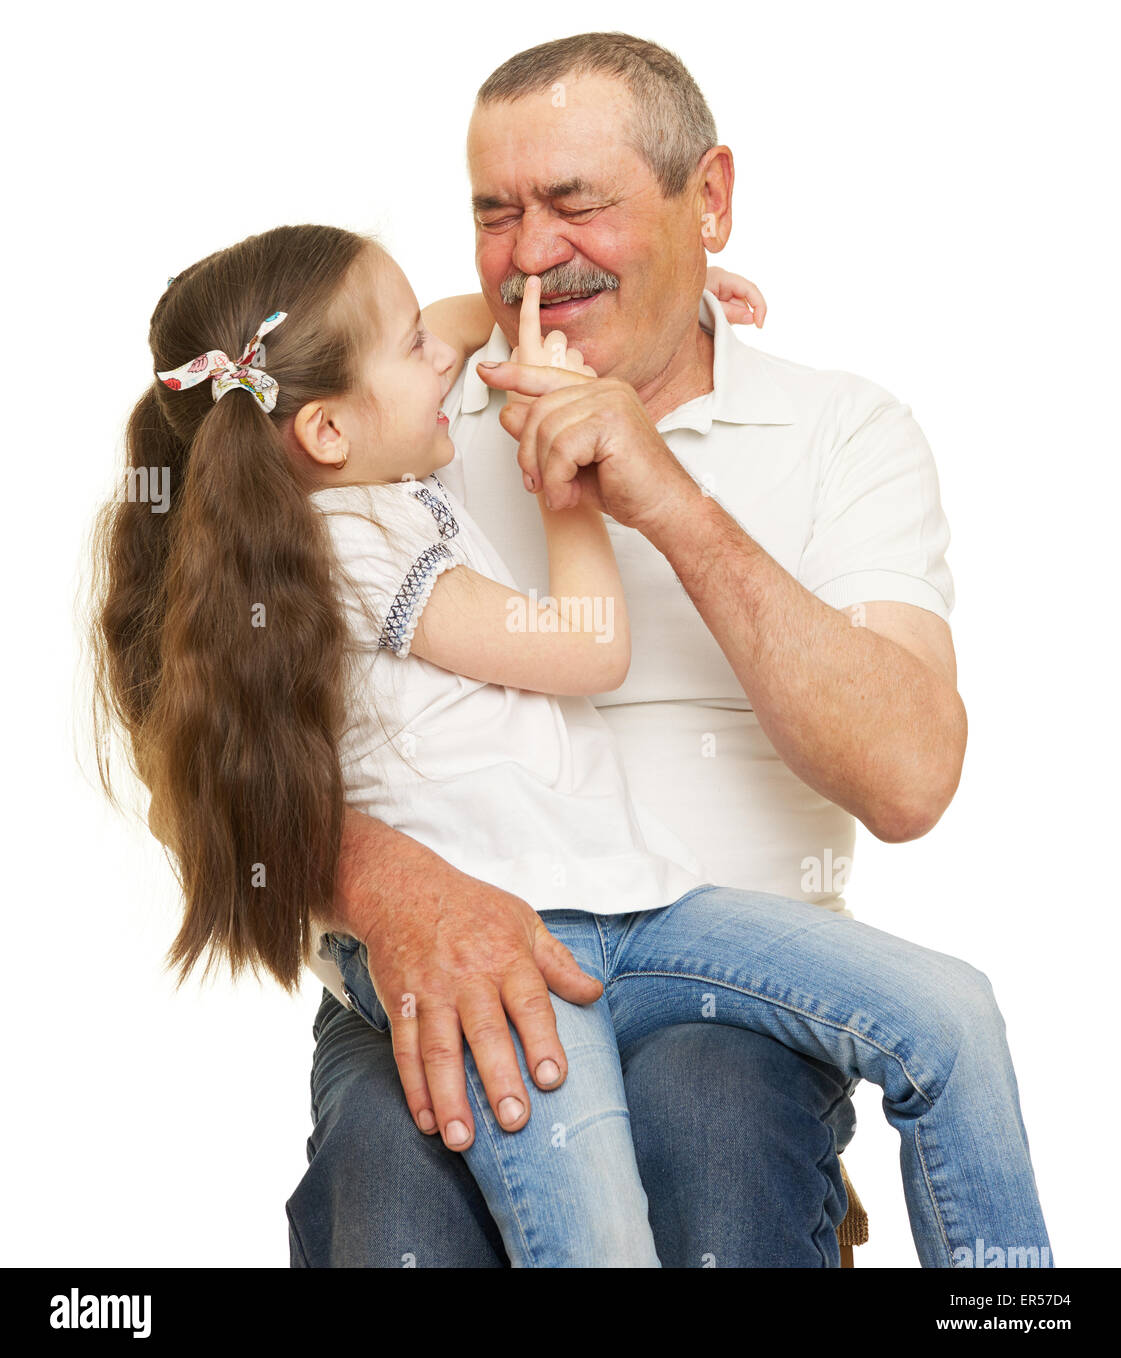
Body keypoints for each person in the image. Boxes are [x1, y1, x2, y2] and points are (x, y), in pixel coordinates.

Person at [92, 222, 1052, 1267]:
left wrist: (639, 297)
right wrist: (567, 476)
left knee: (948, 1015)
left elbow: (460, 325)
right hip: (514, 938)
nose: (449, 355)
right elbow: (587, 647)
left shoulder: (379, 457)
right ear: (325, 432)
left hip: (628, 900)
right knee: (584, 1239)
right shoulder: (348, 539)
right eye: (417, 345)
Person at [287, 32, 984, 1269]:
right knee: (394, 1169)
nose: (532, 252)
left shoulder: (841, 431)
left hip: (721, 994)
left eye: (577, 204)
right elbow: (193, 701)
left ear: (705, 200)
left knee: (712, 1123)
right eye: (496, 213)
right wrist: (379, 882)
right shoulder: (402, 418)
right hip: (435, 971)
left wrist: (664, 498)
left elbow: (910, 776)